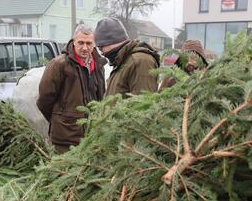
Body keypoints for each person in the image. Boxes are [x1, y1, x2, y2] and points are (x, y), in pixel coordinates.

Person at [37, 24, 106, 153]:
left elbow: (100, 97)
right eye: (80, 42)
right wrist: (60, 119)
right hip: (65, 139)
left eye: (89, 43)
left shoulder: (99, 65)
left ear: (94, 44)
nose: (85, 48)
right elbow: (44, 100)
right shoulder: (59, 65)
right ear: (74, 42)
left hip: (92, 136)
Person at [93, 17, 160, 96]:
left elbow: (143, 104)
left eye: (101, 46)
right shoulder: (121, 61)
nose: (101, 51)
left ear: (111, 41)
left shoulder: (140, 61)